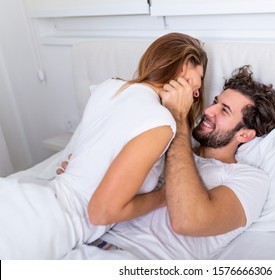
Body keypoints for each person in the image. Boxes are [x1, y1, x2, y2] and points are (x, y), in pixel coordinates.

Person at [0, 32, 208, 259]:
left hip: (24, 197)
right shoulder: (162, 122)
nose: (196, 94)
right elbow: (101, 212)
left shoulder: (110, 87)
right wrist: (162, 196)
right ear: (180, 78)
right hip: (47, 226)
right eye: (195, 84)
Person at [64, 65, 275, 259]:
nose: (208, 111)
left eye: (224, 111)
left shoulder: (249, 180)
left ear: (245, 135)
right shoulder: (166, 142)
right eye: (216, 102)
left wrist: (178, 118)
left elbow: (187, 221)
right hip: (81, 243)